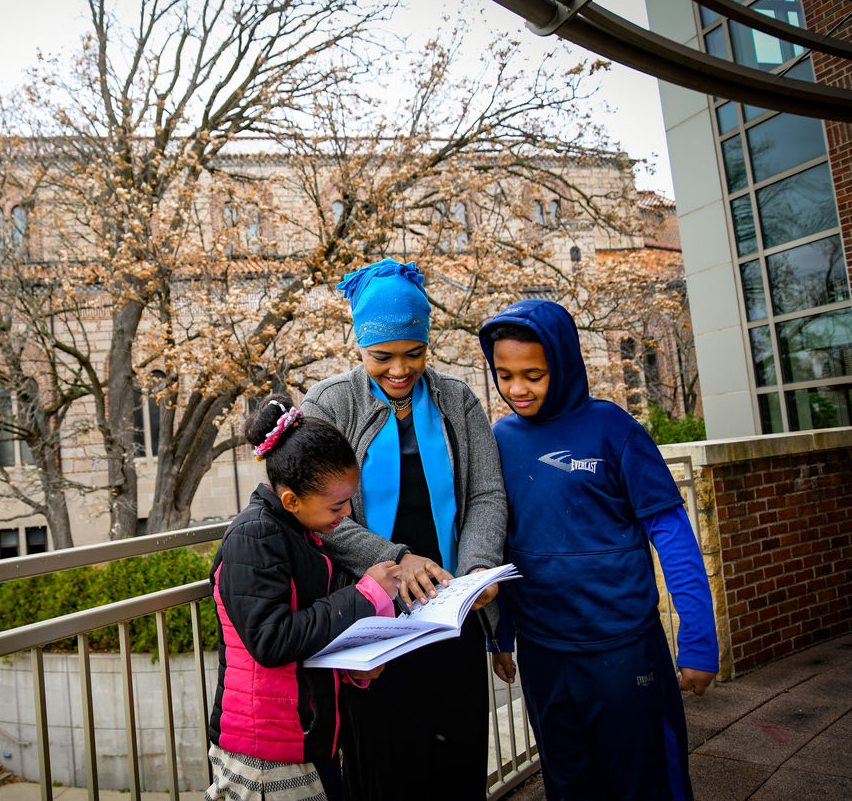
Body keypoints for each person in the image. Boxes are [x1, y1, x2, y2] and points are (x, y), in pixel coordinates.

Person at [478, 299, 718, 801]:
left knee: (645, 783)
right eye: (504, 374)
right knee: (569, 786)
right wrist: (501, 636)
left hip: (623, 649)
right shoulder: (498, 439)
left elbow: (673, 538)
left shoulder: (614, 430)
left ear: (562, 364)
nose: (516, 389)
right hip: (545, 655)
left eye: (533, 375)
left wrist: (698, 641)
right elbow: (498, 541)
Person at [301, 258, 508, 800]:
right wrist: (395, 558)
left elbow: (486, 493)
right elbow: (316, 512)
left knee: (457, 761)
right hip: (373, 625)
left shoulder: (457, 399)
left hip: (450, 618)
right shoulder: (330, 402)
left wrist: (478, 566)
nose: (399, 370)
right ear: (358, 347)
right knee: (385, 769)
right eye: (381, 357)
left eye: (413, 354)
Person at [206, 394, 400, 801]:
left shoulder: (298, 530)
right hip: (267, 749)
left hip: (303, 735)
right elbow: (271, 640)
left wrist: (352, 668)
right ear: (291, 500)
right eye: (337, 504)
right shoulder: (254, 535)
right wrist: (365, 595)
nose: (347, 512)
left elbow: (310, 626)